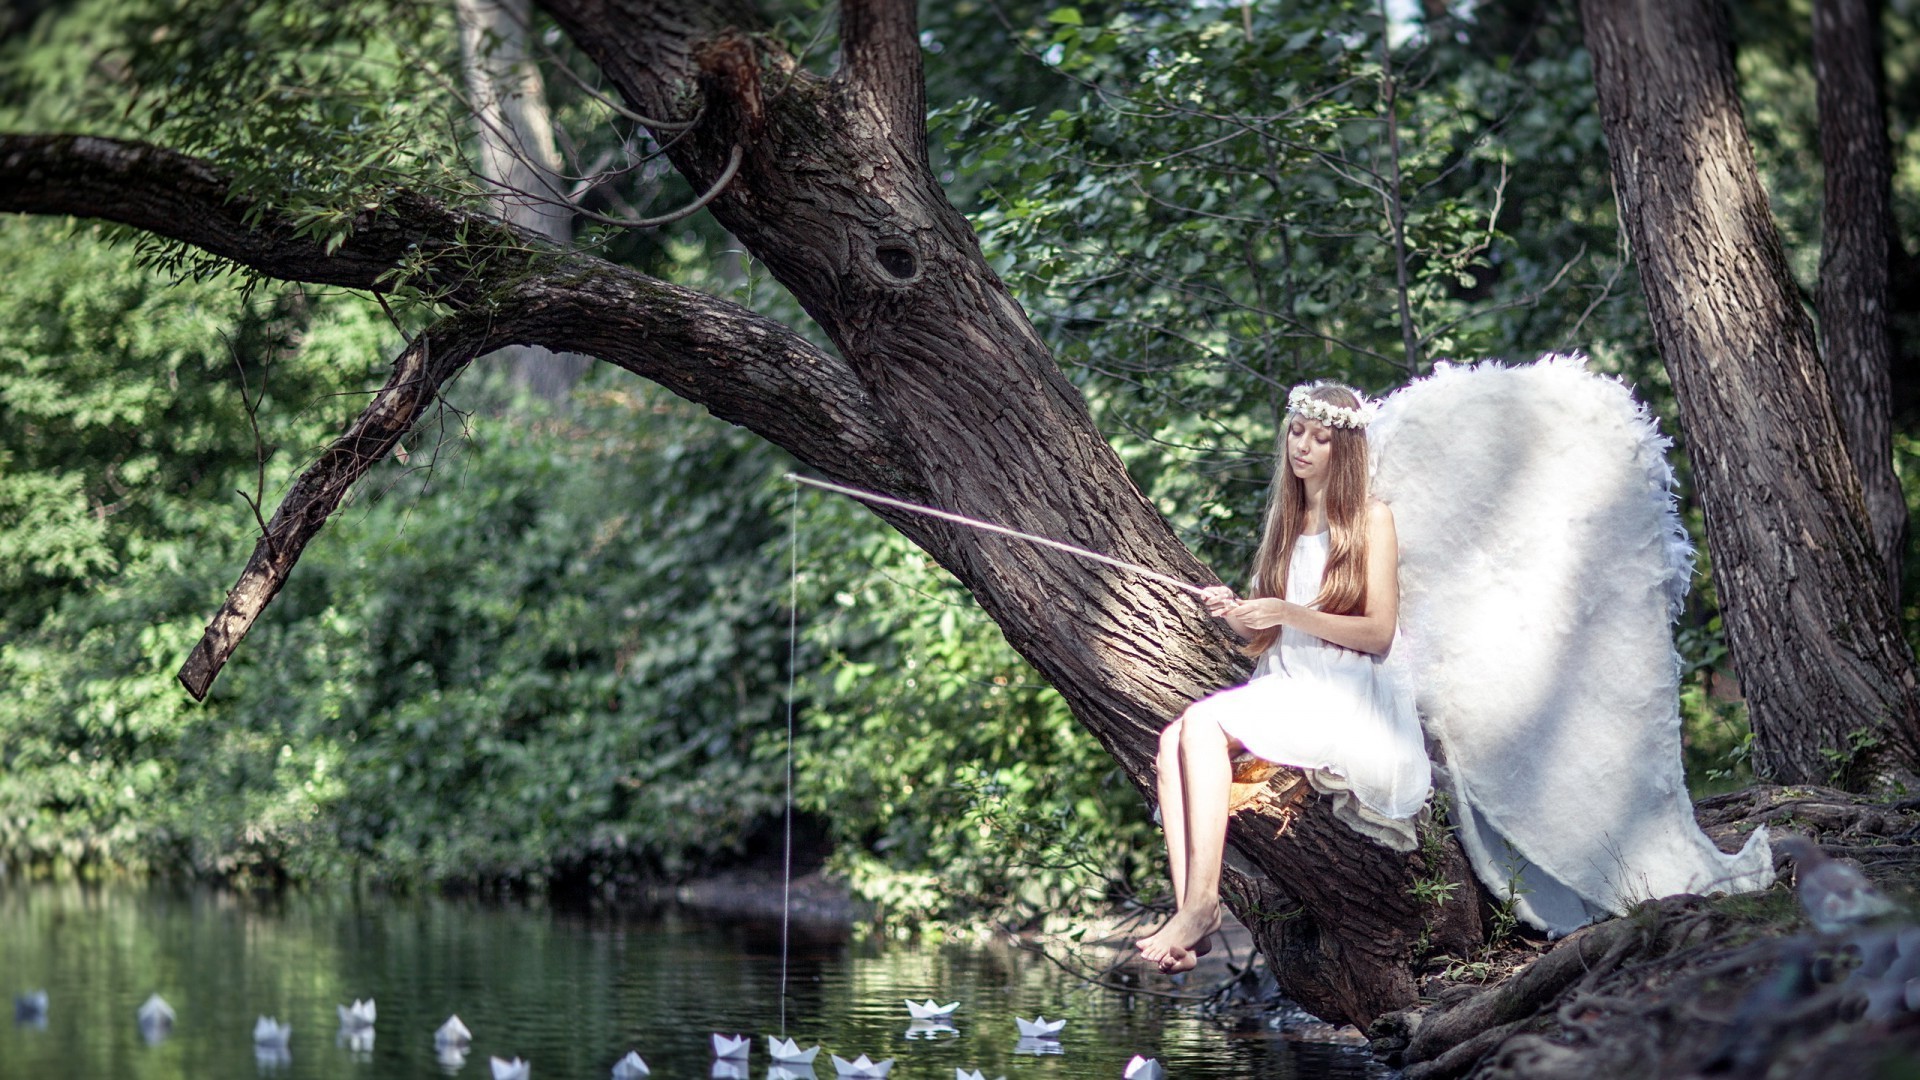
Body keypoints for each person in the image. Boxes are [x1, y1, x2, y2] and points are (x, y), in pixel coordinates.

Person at [1134, 381, 1432, 974]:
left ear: (1342, 452)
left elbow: (1377, 633)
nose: (1303, 447)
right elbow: (1270, 639)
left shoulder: (1371, 518)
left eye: (1320, 439)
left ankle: (1201, 904)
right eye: (1297, 431)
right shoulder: (1287, 518)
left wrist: (1285, 611)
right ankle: (1193, 914)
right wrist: (1238, 617)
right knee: (1172, 743)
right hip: (1286, 680)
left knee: (1202, 722)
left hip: (1344, 693)